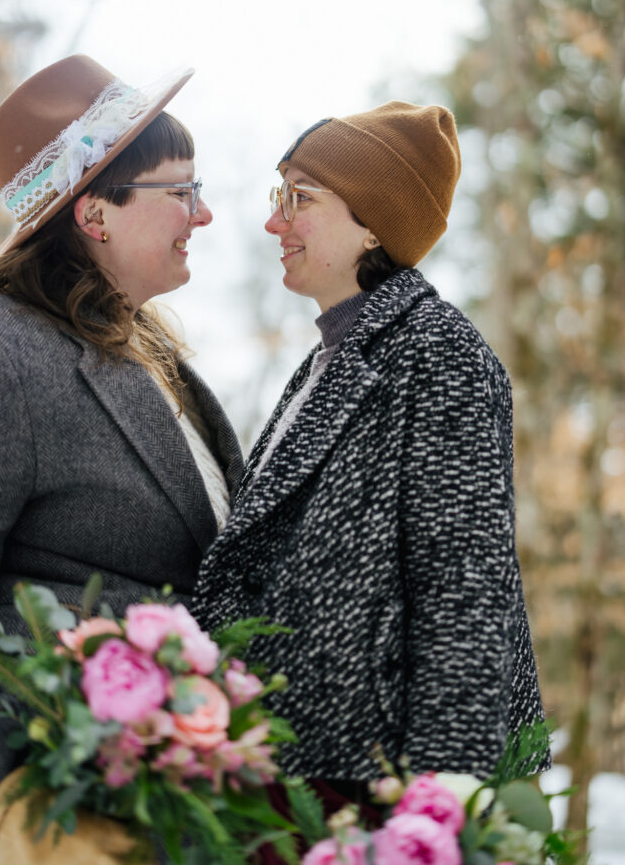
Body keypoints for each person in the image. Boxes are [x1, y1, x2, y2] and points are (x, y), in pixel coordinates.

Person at [193, 102, 548, 805]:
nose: (275, 222)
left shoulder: (440, 354)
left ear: (370, 224)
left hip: (371, 783)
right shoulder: (330, 359)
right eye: (278, 196)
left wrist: (442, 801)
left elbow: (463, 587)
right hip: (297, 776)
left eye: (300, 197)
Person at [0, 55, 243, 865]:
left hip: (187, 816)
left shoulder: (163, 368)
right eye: (181, 190)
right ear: (95, 214)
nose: (206, 212)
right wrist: (14, 814)